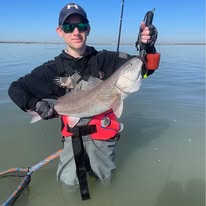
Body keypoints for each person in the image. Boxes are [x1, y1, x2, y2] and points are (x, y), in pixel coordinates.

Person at [8, 2, 158, 199]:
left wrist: (147, 46)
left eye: (81, 26)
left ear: (88, 29)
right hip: (72, 139)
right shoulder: (51, 70)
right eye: (69, 27)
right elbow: (15, 89)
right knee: (68, 185)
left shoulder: (106, 59)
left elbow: (145, 68)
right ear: (60, 31)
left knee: (107, 183)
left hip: (104, 140)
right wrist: (37, 105)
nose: (76, 31)